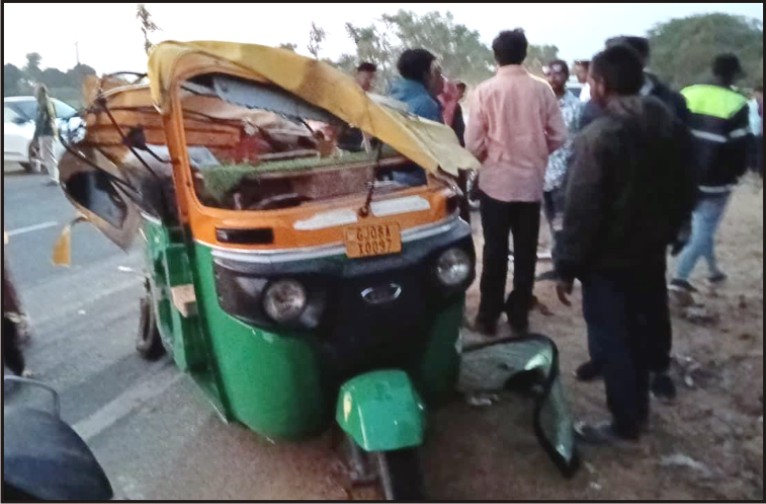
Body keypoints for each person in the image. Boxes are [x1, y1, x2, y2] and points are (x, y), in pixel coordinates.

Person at [554, 44, 696, 445]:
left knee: (616, 339)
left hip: (608, 261)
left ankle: (626, 423)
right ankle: (641, 404)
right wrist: (674, 229)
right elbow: (687, 185)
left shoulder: (599, 137)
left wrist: (566, 265)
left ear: (600, 85)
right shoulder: (670, 126)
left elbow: (582, 210)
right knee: (643, 325)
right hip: (650, 252)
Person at [465, 29, 567, 336]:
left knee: (494, 252)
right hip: (530, 184)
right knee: (525, 253)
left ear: (495, 56)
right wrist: (536, 153)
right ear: (523, 54)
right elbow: (559, 135)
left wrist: (491, 156)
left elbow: (472, 145)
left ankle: (488, 318)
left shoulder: (485, 91)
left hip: (495, 184)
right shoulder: (542, 90)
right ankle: (519, 316)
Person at [670, 54, 751, 293]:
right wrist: (737, 173)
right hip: (716, 179)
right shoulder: (737, 103)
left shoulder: (688, 93)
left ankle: (713, 272)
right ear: (734, 75)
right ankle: (679, 279)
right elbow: (740, 146)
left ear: (713, 70)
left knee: (702, 229)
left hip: (682, 176)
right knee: (704, 229)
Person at [537, 60, 582, 281]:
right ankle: (559, 266)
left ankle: (567, 269)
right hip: (543, 175)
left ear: (565, 76)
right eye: (548, 73)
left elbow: (581, 140)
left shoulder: (576, 106)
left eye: (557, 73)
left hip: (565, 176)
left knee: (563, 224)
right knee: (552, 222)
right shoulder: (540, 104)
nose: (552, 77)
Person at [389, 48, 444, 186]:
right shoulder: (426, 104)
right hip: (422, 181)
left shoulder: (392, 98)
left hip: (397, 178)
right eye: (436, 72)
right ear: (426, 74)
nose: (440, 77)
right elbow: (436, 152)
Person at [337, 62, 378, 151]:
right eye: (366, 79)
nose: (369, 83)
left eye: (372, 80)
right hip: (347, 134)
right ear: (357, 76)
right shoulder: (346, 93)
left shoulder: (369, 97)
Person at [33, 84, 59, 185]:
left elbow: (41, 121)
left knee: (48, 155)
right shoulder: (50, 102)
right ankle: (54, 175)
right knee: (48, 154)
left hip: (45, 132)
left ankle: (54, 177)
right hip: (51, 131)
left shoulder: (42, 104)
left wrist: (36, 135)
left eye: (36, 91)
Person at [747, 85, 763, 177]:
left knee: (759, 151)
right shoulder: (750, 103)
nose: (755, 95)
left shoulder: (759, 103)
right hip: (752, 129)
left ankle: (757, 170)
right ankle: (753, 168)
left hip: (759, 130)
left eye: (757, 93)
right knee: (753, 150)